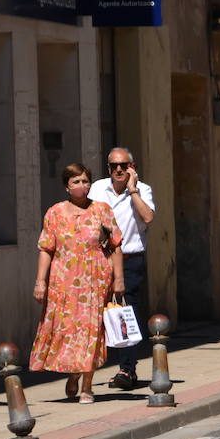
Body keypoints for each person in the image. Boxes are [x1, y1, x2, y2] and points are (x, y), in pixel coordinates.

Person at [30, 163, 124, 403]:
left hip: (95, 280)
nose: (82, 186)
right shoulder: (55, 213)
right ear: (66, 187)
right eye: (76, 182)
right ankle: (73, 374)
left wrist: (119, 279)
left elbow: (115, 244)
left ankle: (87, 386)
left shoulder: (101, 210)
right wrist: (40, 282)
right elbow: (46, 249)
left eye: (85, 181)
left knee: (91, 332)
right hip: (64, 282)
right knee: (69, 331)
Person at [89, 147, 156, 391]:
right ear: (108, 169)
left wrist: (133, 190)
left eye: (124, 165)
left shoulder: (143, 190)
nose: (118, 169)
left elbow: (148, 218)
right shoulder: (97, 189)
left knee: (127, 313)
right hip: (100, 259)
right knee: (99, 314)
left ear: (132, 167)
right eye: (113, 166)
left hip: (130, 260)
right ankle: (90, 367)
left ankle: (127, 369)